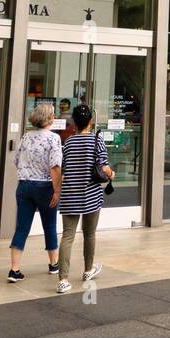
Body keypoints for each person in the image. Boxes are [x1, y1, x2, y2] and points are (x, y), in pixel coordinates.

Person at [55, 103, 113, 294]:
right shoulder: (97, 140)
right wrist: (111, 173)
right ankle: (88, 270)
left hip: (71, 193)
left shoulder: (68, 142)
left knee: (67, 235)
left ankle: (63, 279)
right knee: (89, 234)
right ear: (90, 121)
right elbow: (103, 167)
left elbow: (63, 167)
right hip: (91, 194)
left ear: (74, 123)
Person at [8, 102, 63, 282]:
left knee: (22, 227)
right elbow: (55, 167)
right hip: (45, 186)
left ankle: (14, 269)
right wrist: (57, 190)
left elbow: (16, 160)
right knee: (50, 225)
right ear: (50, 118)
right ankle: (53, 264)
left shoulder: (25, 137)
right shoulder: (53, 139)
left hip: (24, 185)